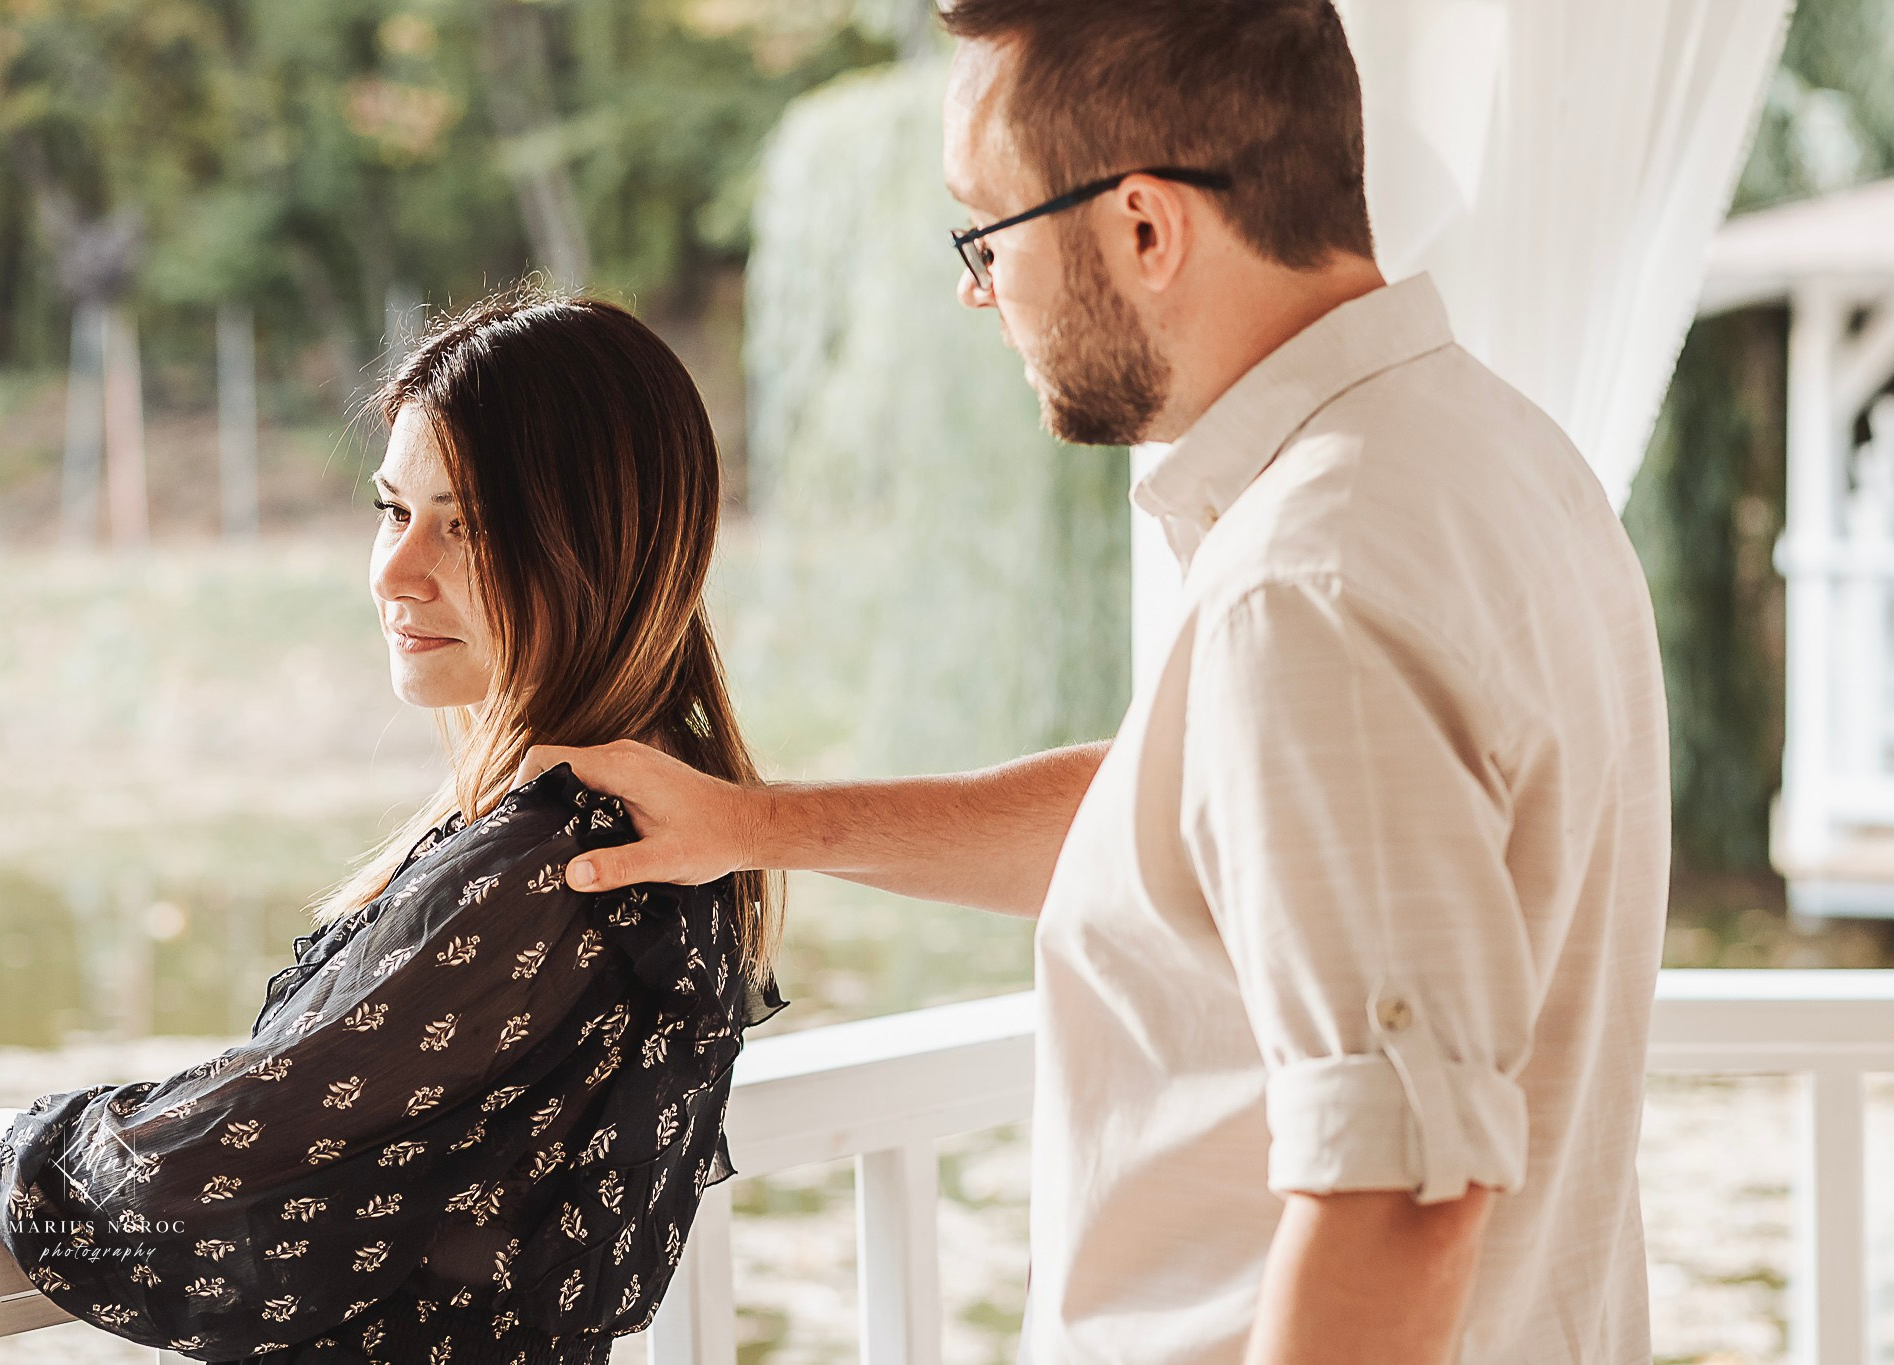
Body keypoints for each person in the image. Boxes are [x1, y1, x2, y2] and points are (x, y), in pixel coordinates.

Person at [517, 2, 1670, 1362]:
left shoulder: (1306, 587)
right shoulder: (1490, 458)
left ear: (1142, 227)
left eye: (988, 228)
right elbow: (1194, 834)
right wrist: (755, 825)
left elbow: (1400, 1199)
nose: (974, 285)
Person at [0, 286, 786, 1364]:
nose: (393, 570)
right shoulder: (667, 801)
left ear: (596, 546)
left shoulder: (562, 863)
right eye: (392, 510)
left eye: (464, 524)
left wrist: (12, 1140)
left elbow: (188, 1183)